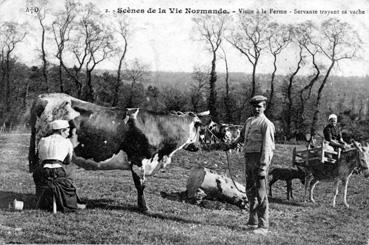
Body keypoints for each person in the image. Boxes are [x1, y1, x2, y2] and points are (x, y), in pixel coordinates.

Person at [223, 95, 275, 235]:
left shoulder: (266, 124)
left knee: (261, 193)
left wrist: (263, 167)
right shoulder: (249, 121)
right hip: (249, 159)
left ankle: (263, 226)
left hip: (260, 161)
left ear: (264, 107)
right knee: (250, 191)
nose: (257, 109)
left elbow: (268, 148)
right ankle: (253, 222)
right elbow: (241, 137)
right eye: (255, 106)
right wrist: (230, 145)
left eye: (260, 106)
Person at [32, 119, 85, 212]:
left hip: (44, 171)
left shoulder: (43, 140)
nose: (68, 132)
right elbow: (68, 160)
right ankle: (71, 201)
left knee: (40, 179)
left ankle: (43, 200)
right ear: (61, 131)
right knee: (70, 175)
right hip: (58, 170)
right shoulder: (67, 142)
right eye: (67, 130)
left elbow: (39, 158)